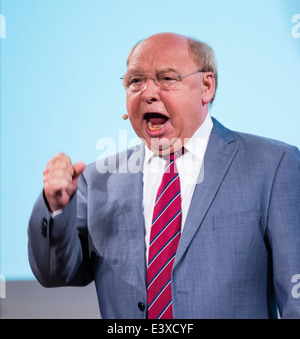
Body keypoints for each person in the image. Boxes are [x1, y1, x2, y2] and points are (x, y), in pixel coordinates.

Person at [28, 32, 300, 319]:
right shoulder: (96, 181)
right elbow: (53, 274)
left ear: (206, 86)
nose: (148, 93)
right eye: (135, 81)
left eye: (167, 78)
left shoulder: (274, 165)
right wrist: (55, 209)